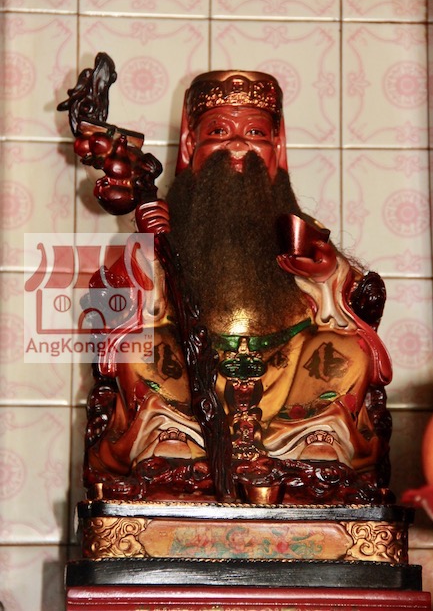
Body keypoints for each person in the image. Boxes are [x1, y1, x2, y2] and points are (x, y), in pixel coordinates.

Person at [65, 68, 393, 504]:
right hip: (190, 381)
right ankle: (171, 440)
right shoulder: (169, 225)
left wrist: (327, 274)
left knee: (350, 352)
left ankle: (314, 441)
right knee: (136, 348)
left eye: (255, 133)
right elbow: (113, 301)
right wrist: (147, 247)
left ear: (277, 147)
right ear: (190, 145)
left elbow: (351, 303)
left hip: (288, 374)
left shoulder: (299, 231)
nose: (238, 145)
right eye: (219, 131)